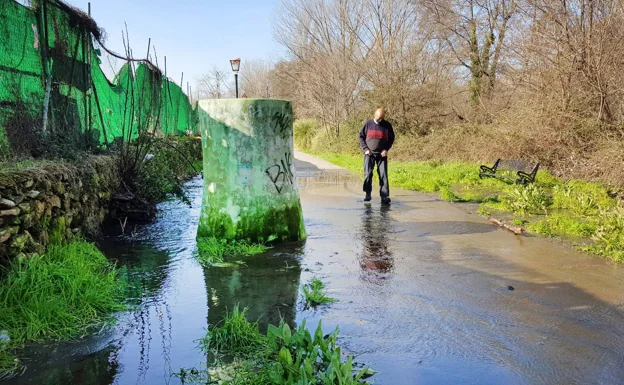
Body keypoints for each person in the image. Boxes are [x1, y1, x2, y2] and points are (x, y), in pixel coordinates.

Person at [358, 108, 395, 204]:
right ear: (375, 115)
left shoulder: (387, 125)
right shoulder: (368, 124)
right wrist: (365, 149)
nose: (380, 120)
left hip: (382, 155)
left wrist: (386, 149)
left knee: (383, 176)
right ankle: (367, 194)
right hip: (369, 154)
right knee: (368, 174)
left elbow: (391, 139)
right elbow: (361, 137)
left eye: (382, 118)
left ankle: (384, 196)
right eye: (378, 118)